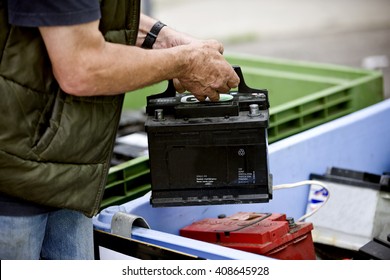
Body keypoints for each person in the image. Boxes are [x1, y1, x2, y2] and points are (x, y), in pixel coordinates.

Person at [0, 0, 239, 259]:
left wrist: (160, 37)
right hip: (14, 182)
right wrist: (184, 62)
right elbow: (82, 67)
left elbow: (85, 13)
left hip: (70, 172)